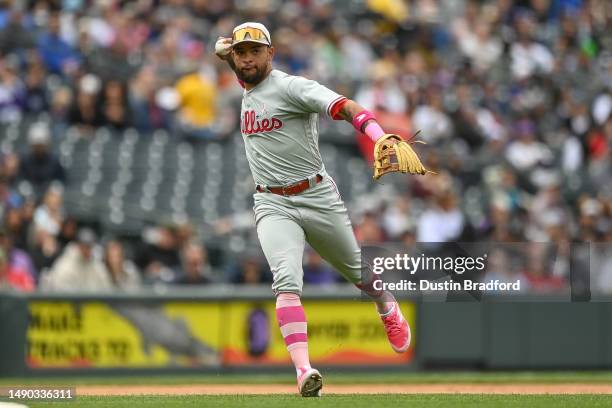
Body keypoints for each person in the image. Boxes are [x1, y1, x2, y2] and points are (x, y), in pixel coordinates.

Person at [215, 22, 411, 397]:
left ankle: (386, 306)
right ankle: (304, 371)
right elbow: (240, 67)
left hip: (316, 195)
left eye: (256, 50)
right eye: (241, 52)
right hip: (271, 201)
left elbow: (344, 105)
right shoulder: (247, 82)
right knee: (286, 282)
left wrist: (377, 134)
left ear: (272, 53)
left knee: (356, 270)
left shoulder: (292, 87)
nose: (247, 58)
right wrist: (228, 51)